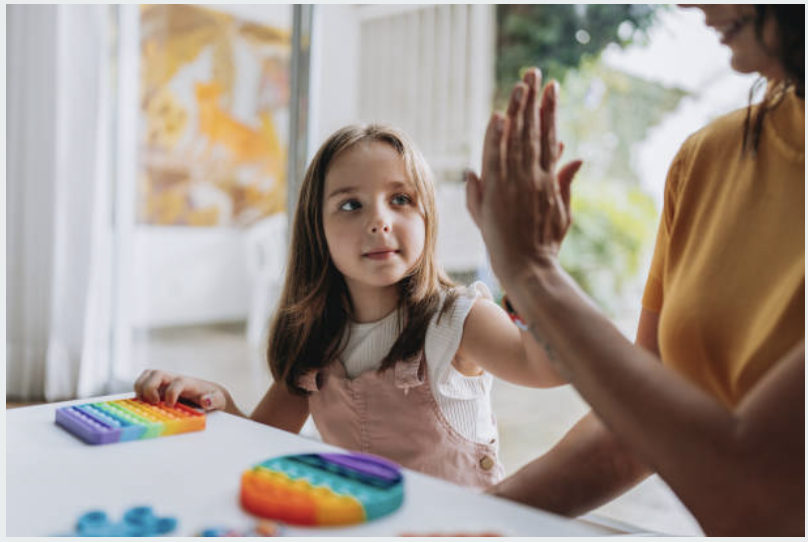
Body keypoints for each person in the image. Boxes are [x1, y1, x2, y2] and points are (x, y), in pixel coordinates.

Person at [465, 4, 804, 535]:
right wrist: (470, 522)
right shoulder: (709, 159)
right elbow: (638, 426)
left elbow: (754, 497)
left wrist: (533, 275)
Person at [135, 124, 568, 490]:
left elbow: (549, 369)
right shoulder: (315, 339)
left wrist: (527, 269)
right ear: (317, 230)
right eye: (350, 205)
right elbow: (259, 443)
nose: (379, 221)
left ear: (428, 217)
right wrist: (215, 398)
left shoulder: (458, 319)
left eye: (400, 199)